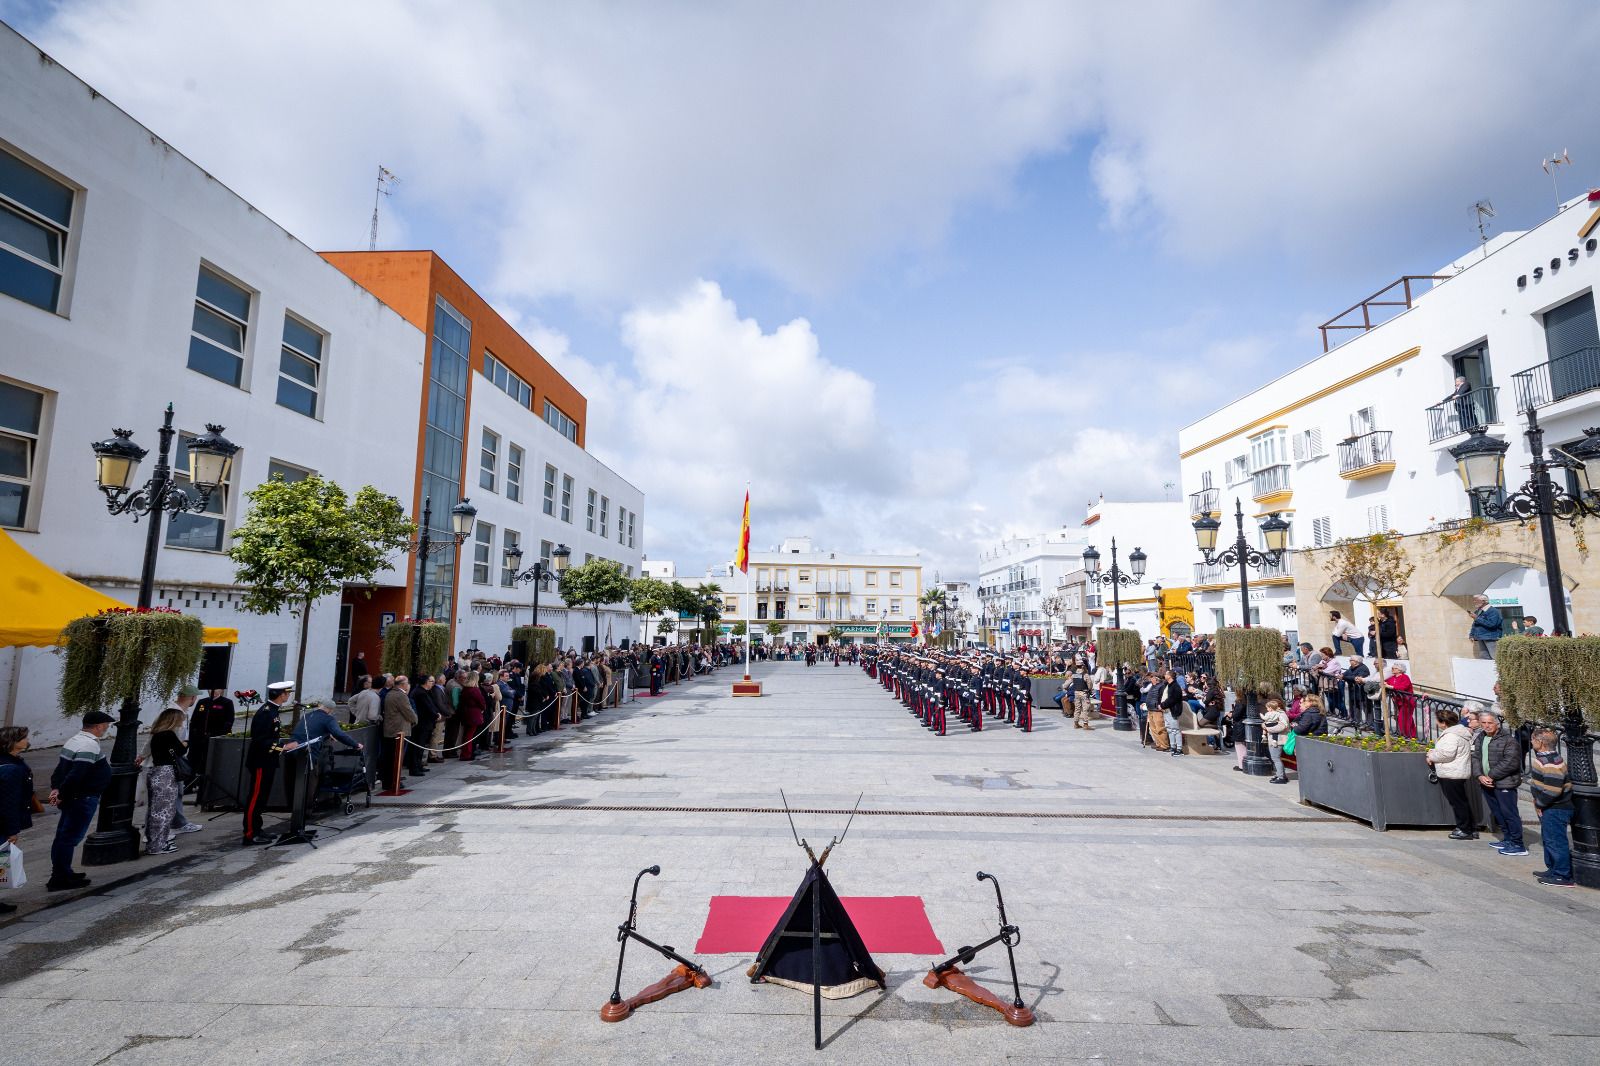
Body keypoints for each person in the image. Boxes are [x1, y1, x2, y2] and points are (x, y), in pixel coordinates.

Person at [48, 709, 115, 889]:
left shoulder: (74, 740)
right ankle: (60, 878)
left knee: (62, 836)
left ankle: (62, 872)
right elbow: (76, 775)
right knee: (69, 837)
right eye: (106, 725)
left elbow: (61, 769)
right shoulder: (89, 745)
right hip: (82, 798)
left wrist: (56, 788)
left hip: (75, 796)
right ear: (98, 726)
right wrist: (61, 794)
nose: (106, 728)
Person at [282, 698, 363, 832]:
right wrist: (355, 744)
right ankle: (305, 813)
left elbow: (311, 731)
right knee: (310, 783)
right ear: (330, 710)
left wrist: (326, 735)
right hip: (307, 754)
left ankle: (294, 811)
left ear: (320, 706)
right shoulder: (328, 719)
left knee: (292, 783)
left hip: (292, 751)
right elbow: (339, 734)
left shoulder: (307, 715)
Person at [243, 682, 294, 845]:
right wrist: (283, 747)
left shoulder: (273, 710)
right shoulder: (266, 713)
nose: (289, 696)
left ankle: (257, 829)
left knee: (262, 797)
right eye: (287, 693)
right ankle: (250, 833)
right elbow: (260, 740)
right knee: (255, 797)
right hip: (261, 761)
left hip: (268, 760)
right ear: (281, 695)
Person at [1473, 712, 1527, 856]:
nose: (1487, 726)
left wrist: (1491, 776)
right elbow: (1475, 757)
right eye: (1483, 723)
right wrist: (1479, 775)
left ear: (1497, 724)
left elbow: (1511, 762)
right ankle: (1508, 839)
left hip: (1504, 783)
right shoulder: (1481, 737)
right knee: (1498, 812)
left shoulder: (1509, 740)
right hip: (1486, 782)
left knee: (1509, 813)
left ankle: (1518, 844)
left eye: (1490, 723)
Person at [1528, 727, 1575, 887]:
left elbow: (1553, 790)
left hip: (1556, 808)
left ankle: (1562, 875)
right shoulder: (1546, 758)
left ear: (1540, 742)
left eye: (1533, 739)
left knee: (1556, 841)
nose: (1531, 742)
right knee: (1549, 839)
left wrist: (1539, 803)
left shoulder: (1550, 762)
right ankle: (1553, 869)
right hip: (1550, 807)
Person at [140, 706, 190, 855]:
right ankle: (158, 845)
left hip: (155, 771)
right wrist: (185, 743)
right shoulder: (168, 734)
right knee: (164, 810)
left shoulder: (156, 734)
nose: (181, 723)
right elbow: (180, 751)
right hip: (166, 774)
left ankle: (154, 841)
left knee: (155, 809)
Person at [1425, 708, 1476, 839]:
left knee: (1458, 802)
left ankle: (1464, 829)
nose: (1436, 723)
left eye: (1437, 720)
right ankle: (1470, 827)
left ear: (1443, 723)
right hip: (1455, 772)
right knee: (1461, 801)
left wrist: (1431, 755)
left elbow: (1447, 754)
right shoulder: (1457, 732)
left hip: (1451, 773)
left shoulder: (1451, 735)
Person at [0, 726, 35, 913]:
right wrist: (12, 831)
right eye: (23, 737)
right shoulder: (11, 768)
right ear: (12, 742)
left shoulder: (11, 761)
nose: (27, 740)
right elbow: (8, 802)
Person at [190, 687, 236, 785]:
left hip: (214, 739)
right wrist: (192, 737)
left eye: (217, 688)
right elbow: (194, 721)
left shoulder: (226, 703)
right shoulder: (202, 702)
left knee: (210, 763)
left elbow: (228, 723)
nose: (213, 690)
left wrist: (216, 735)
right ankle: (191, 783)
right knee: (195, 762)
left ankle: (207, 785)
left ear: (221, 690)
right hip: (199, 739)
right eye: (211, 688)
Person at [381, 674, 417, 789]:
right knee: (396, 758)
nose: (408, 685)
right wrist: (415, 720)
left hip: (390, 730)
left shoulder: (390, 693)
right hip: (399, 730)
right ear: (402, 684)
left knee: (390, 758)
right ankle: (394, 782)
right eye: (407, 683)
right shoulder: (401, 695)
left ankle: (388, 781)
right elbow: (408, 711)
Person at [1261, 697, 1290, 784]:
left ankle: (1281, 777)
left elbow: (1282, 726)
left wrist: (1267, 728)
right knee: (1276, 758)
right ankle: (1281, 775)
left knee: (1275, 758)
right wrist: (1265, 725)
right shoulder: (1275, 714)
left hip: (1278, 740)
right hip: (1275, 739)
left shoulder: (1281, 715)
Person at [1384, 664, 1416, 738]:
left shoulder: (1405, 677)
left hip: (1407, 701)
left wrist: (1390, 686)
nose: (1392, 669)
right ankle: (1412, 734)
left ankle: (1405, 735)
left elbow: (1403, 687)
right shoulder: (1392, 677)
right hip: (1398, 701)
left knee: (1403, 718)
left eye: (1394, 668)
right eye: (1392, 668)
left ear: (1400, 670)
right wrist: (1384, 683)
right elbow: (1386, 682)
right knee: (1407, 718)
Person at [1469, 595, 1503, 660]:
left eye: (1476, 600)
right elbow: (1475, 624)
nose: (1474, 602)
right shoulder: (1478, 611)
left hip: (1491, 637)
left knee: (1496, 657)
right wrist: (1472, 635)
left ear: (1483, 601)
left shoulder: (1493, 611)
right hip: (1481, 637)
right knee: (1484, 658)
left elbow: (1492, 624)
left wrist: (1477, 618)